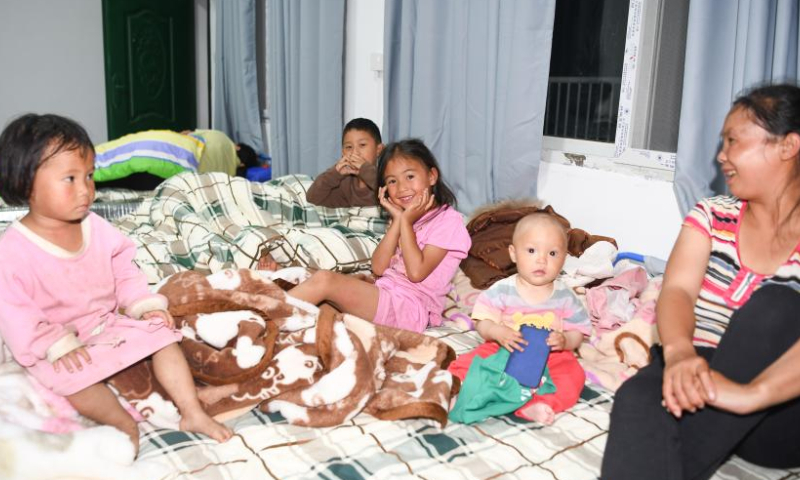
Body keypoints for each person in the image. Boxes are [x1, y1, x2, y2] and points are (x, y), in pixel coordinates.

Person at [0, 114, 233, 456]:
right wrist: (52, 342)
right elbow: (16, 313)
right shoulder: (12, 250)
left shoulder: (95, 226)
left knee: (163, 337)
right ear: (25, 183)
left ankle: (192, 412)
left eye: (90, 176)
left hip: (106, 323)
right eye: (70, 178)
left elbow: (125, 271)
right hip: (58, 342)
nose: (86, 189)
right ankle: (122, 424)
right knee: (72, 379)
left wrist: (144, 305)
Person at [601, 84, 800, 480]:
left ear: (787, 146)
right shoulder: (711, 215)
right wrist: (677, 354)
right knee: (636, 396)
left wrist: (747, 396)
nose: (720, 156)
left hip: (776, 407)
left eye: (732, 141)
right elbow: (677, 290)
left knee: (778, 305)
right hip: (691, 371)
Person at [286, 138, 471, 333]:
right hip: (386, 293)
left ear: (432, 176)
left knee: (325, 281)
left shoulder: (449, 221)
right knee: (320, 307)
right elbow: (379, 267)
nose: (401, 187)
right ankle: (267, 314)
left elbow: (416, 273)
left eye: (410, 176)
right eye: (392, 181)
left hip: (411, 309)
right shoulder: (406, 218)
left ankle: (261, 315)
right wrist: (398, 220)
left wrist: (405, 223)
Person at [448, 213, 590, 424]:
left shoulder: (566, 296)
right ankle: (452, 390)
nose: (541, 259)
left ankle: (539, 405)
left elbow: (578, 331)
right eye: (532, 250)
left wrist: (565, 341)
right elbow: (482, 321)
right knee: (468, 363)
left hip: (551, 356)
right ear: (514, 254)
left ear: (564, 259)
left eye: (552, 253)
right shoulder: (502, 290)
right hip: (503, 347)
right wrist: (498, 332)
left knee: (574, 375)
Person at [305, 117, 385, 208]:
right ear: (343, 153)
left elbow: (389, 190)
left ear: (379, 150)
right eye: (349, 147)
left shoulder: (386, 177)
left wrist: (364, 169)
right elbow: (312, 198)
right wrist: (334, 173)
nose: (355, 152)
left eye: (362, 145)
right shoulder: (345, 185)